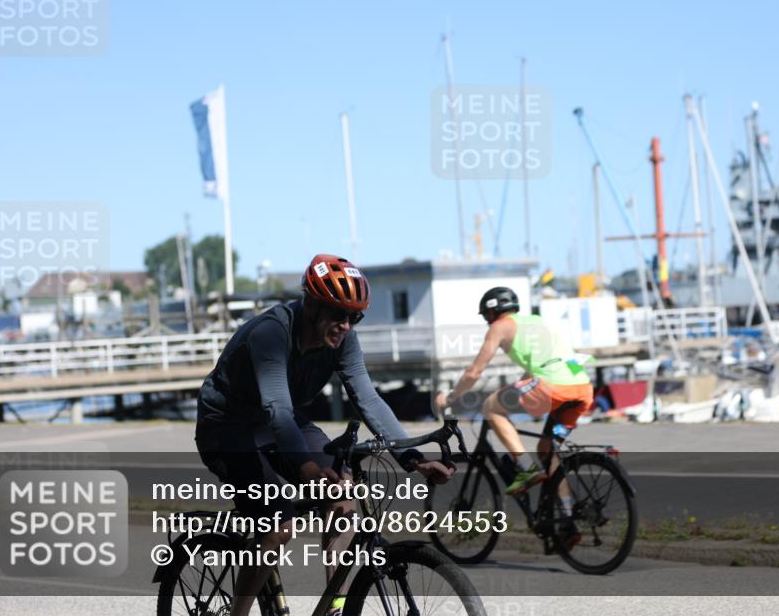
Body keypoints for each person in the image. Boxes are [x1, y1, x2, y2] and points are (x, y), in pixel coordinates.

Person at [196, 254, 454, 616]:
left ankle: (336, 605)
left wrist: (413, 459)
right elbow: (278, 410)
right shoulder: (271, 334)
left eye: (355, 316)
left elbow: (367, 398)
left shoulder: (343, 341)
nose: (346, 325)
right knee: (277, 526)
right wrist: (308, 470)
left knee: (343, 497)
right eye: (338, 314)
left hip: (281, 423)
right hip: (227, 426)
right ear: (312, 304)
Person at [434, 287, 594, 541]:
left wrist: (452, 397)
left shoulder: (500, 326)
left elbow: (475, 372)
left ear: (491, 311)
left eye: (486, 315)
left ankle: (526, 468)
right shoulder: (537, 321)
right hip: (582, 388)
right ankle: (567, 520)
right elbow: (549, 363)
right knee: (547, 450)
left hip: (552, 386)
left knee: (491, 407)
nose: (487, 321)